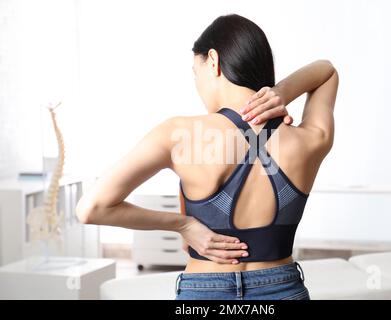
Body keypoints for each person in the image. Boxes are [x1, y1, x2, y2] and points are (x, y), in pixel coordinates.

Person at [76, 13, 338, 300]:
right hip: (283, 289)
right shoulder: (310, 139)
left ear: (213, 61)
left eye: (195, 71)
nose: (196, 83)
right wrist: (281, 93)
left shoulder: (178, 134)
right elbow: (326, 71)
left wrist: (184, 225)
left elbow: (90, 208)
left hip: (205, 290)